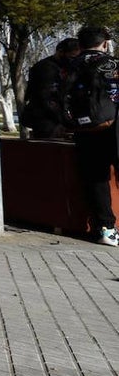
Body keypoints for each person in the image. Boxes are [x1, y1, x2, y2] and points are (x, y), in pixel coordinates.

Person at [68, 26, 118, 247]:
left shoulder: (70, 65)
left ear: (80, 45)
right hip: (115, 126)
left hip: (84, 130)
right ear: (104, 43)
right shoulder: (113, 63)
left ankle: (105, 229)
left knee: (96, 180)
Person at [21, 37, 81, 139]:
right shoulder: (46, 68)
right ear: (60, 52)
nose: (73, 61)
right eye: (72, 57)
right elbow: (47, 97)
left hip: (60, 118)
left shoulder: (69, 68)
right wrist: (63, 119)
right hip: (46, 119)